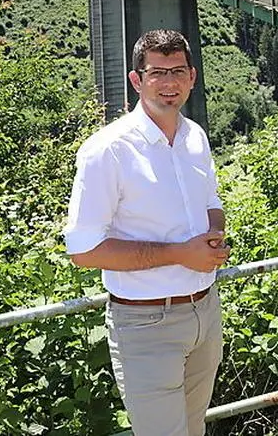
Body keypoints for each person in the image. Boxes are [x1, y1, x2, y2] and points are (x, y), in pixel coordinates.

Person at [63, 29, 229, 436]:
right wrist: (180, 254)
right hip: (146, 323)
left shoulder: (194, 137)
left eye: (177, 72)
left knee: (194, 429)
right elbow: (84, 250)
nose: (169, 83)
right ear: (137, 80)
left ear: (192, 77)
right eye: (157, 73)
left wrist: (212, 236)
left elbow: (212, 205)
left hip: (205, 311)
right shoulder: (108, 150)